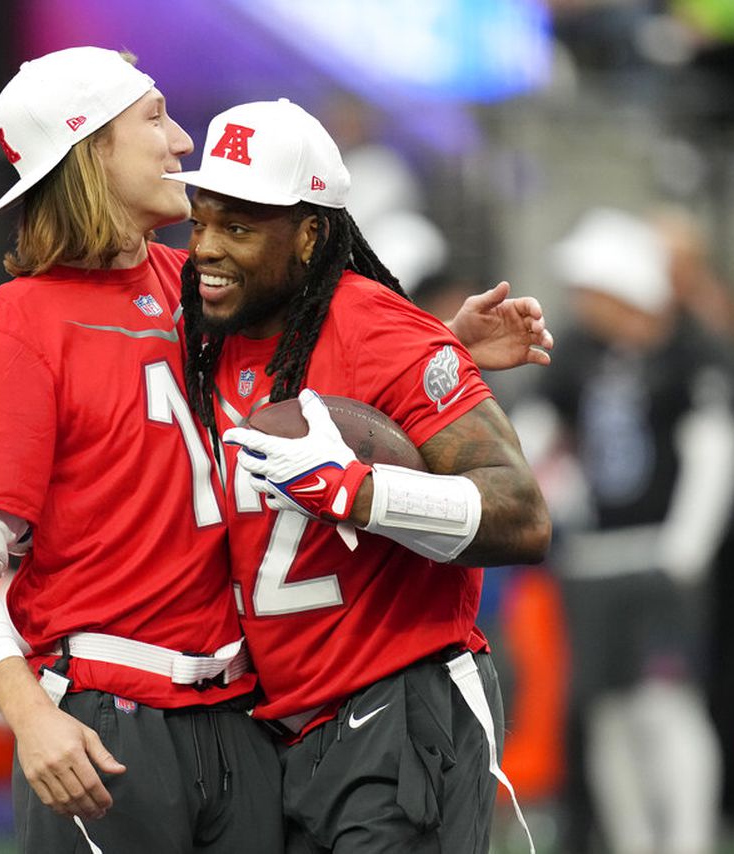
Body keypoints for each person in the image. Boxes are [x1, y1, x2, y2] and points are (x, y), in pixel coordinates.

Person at [0, 47, 552, 854]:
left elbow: (325, 343)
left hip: (248, 726)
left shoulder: (199, 283)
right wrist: (28, 712)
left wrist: (432, 348)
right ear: (89, 152)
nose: (181, 142)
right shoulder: (20, 326)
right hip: (112, 718)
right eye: (153, 117)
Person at [170, 98, 551, 853]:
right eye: (201, 220)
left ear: (311, 235)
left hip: (396, 705)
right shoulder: (213, 331)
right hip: (283, 724)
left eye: (239, 227)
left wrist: (358, 491)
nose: (207, 248)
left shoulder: (379, 328)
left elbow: (522, 515)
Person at [519, 208, 734, 854]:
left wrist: (687, 544)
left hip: (657, 559)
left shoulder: (688, 352)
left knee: (666, 707)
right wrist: (552, 496)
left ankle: (688, 841)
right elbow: (533, 436)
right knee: (607, 713)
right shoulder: (578, 354)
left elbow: (713, 450)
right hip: (591, 561)